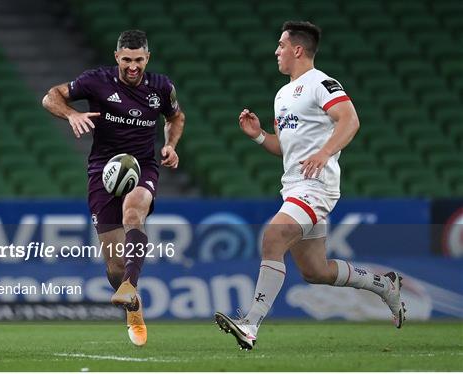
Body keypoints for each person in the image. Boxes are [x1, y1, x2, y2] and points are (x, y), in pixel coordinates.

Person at [214, 21, 405, 350]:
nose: (276, 51)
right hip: (294, 186)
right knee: (316, 271)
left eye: (281, 45)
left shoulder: (322, 83)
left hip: (316, 186)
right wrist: (259, 135)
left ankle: (250, 323)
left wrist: (325, 151)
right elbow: (283, 149)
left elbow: (350, 119)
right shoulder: (282, 95)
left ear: (297, 50)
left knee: (273, 235)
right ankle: (384, 285)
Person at [42, 30, 185, 346]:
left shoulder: (161, 87)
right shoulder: (96, 81)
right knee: (114, 266)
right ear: (117, 57)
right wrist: (71, 114)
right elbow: (50, 95)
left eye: (138, 60)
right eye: (126, 60)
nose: (133, 67)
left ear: (146, 58)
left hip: (142, 167)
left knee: (133, 211)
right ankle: (132, 306)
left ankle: (129, 287)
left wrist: (171, 145)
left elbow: (176, 117)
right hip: (103, 172)